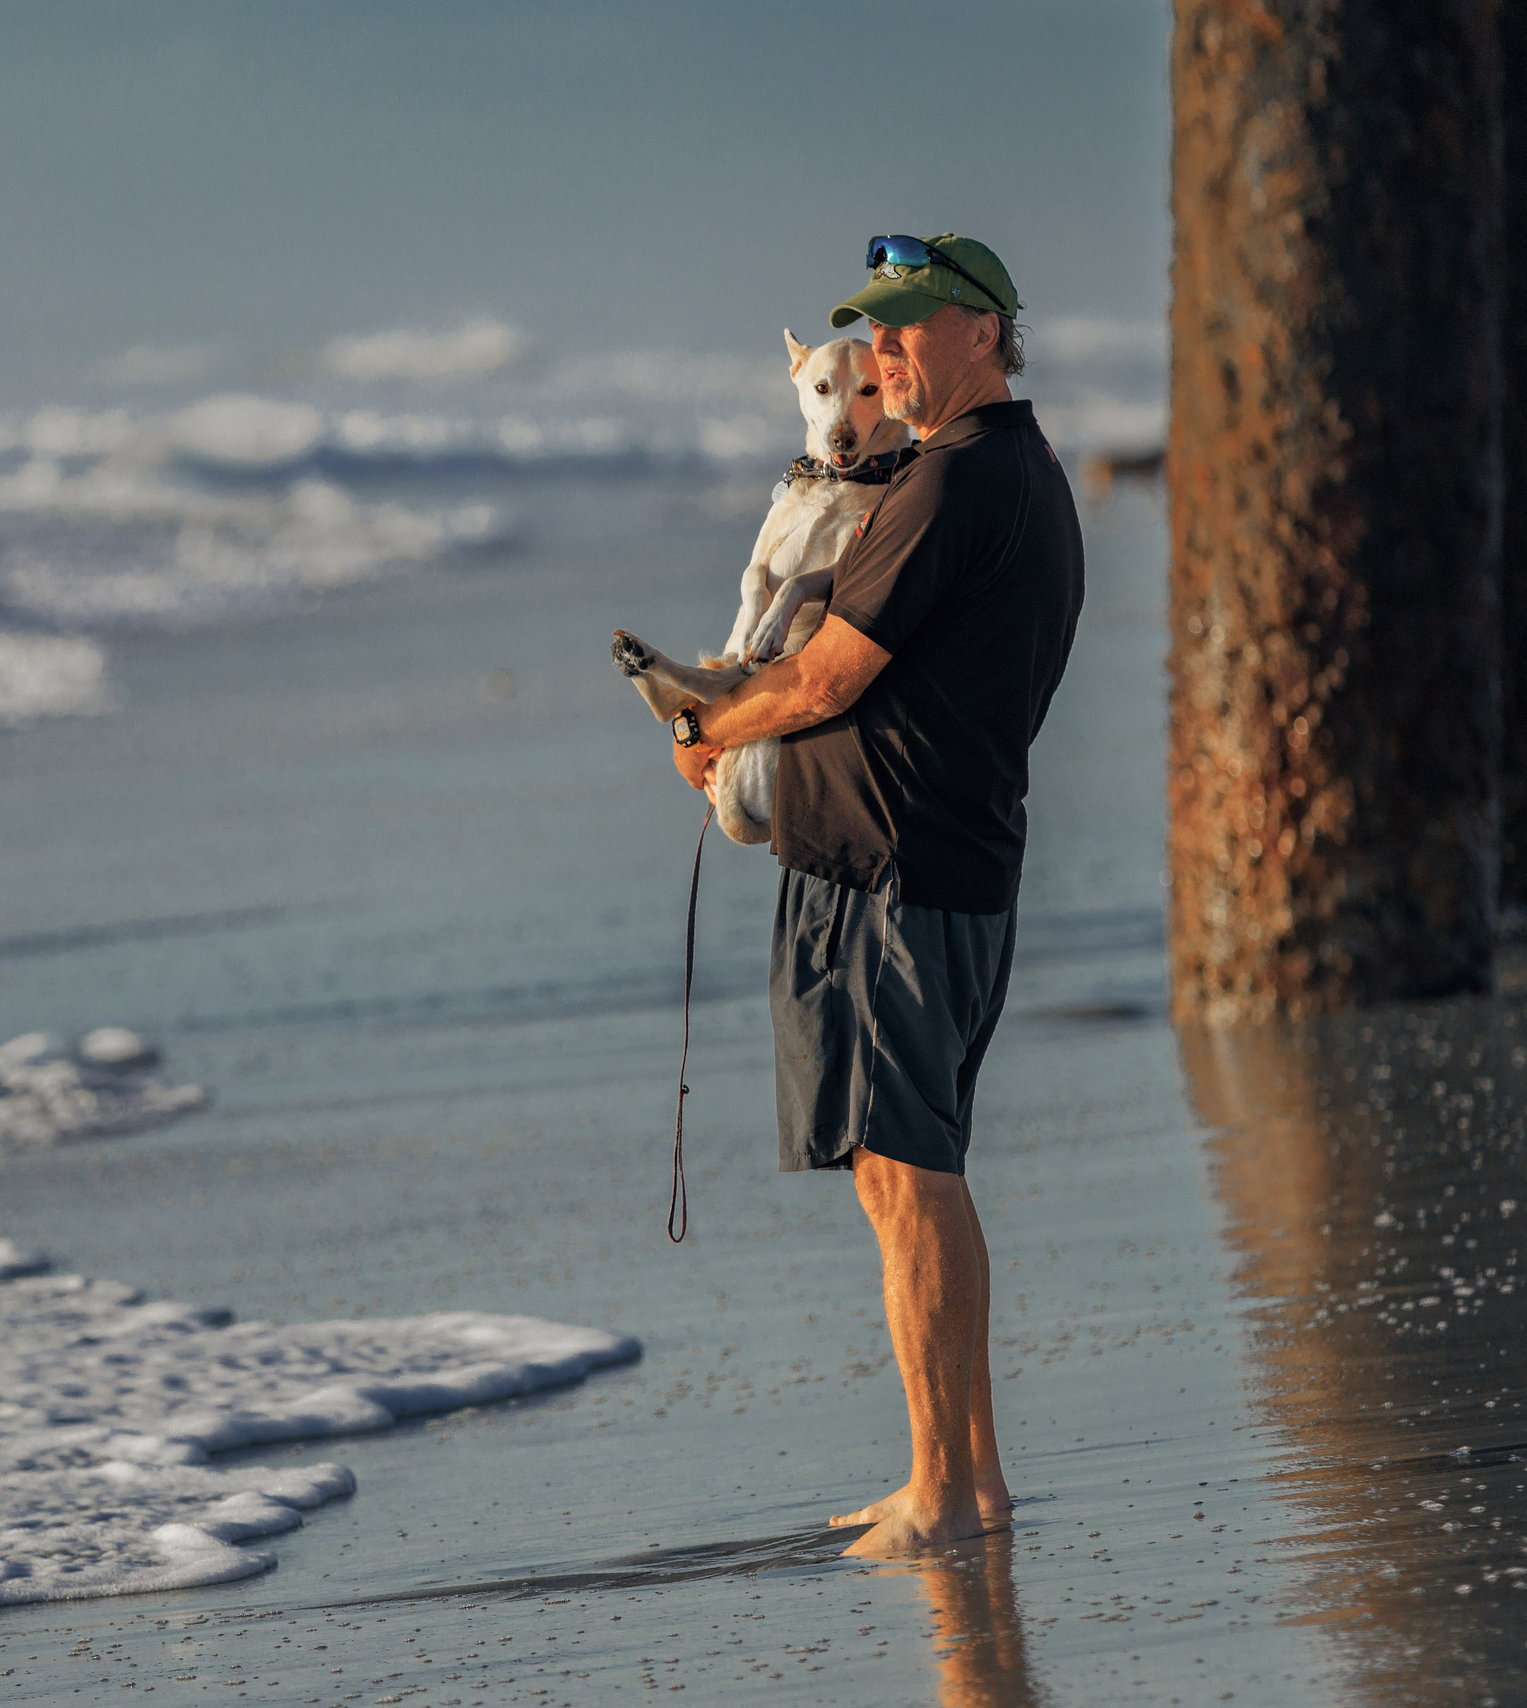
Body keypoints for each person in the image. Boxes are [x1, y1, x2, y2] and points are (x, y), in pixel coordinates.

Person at [662, 234, 1083, 1555]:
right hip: (889, 862)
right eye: (871, 341)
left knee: (915, 1172)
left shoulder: (961, 479)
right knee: (896, 1179)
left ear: (978, 330)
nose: (880, 360)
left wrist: (713, 719)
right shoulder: (981, 471)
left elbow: (833, 674)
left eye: (903, 334)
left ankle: (955, 1491)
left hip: (900, 873)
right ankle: (949, 1477)